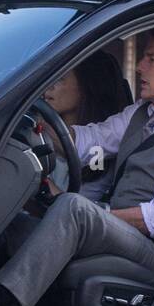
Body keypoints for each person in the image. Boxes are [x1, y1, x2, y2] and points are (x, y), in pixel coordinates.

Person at [0, 27, 154, 306]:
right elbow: (85, 141)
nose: (140, 66)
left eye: (152, 59)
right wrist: (27, 119)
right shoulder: (141, 113)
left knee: (73, 208)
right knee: (14, 223)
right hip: (122, 232)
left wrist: (92, 215)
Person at [41, 51, 132, 200]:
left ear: (87, 86)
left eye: (60, 79)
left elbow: (82, 212)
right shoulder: (37, 130)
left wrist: (39, 182)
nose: (49, 86)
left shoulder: (100, 150)